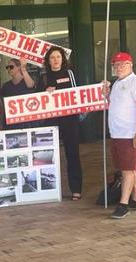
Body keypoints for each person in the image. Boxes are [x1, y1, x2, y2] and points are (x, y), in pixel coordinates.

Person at [103, 52, 136, 219]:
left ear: (131, 65)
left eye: (123, 64)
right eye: (116, 65)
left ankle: (123, 205)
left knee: (128, 170)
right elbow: (115, 104)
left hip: (130, 134)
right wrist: (107, 94)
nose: (119, 67)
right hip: (117, 133)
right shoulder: (117, 84)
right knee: (127, 168)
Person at [36, 46, 83, 201]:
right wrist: (45, 93)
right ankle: (48, 189)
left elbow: (79, 93)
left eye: (58, 57)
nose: (55, 60)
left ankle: (76, 189)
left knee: (72, 154)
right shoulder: (43, 77)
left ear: (63, 59)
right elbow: (36, 101)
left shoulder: (70, 74)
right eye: (52, 57)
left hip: (70, 120)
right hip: (51, 120)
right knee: (47, 155)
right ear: (48, 61)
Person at [0, 58, 36, 129]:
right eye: (7, 67)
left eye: (11, 67)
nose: (9, 69)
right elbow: (3, 107)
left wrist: (23, 69)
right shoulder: (6, 86)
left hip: (27, 120)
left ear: (18, 67)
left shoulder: (27, 81)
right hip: (12, 122)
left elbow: (31, 85)